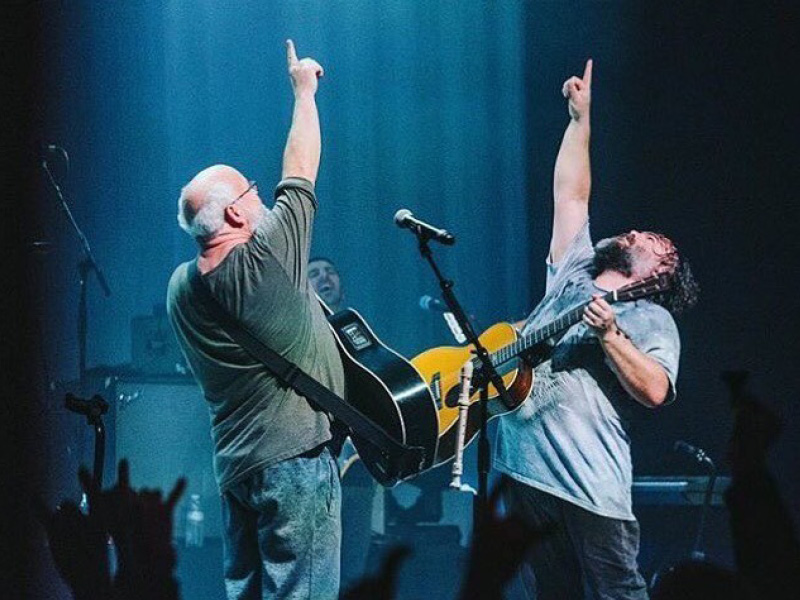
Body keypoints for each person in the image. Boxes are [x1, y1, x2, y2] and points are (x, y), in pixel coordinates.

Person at [495, 59, 698, 599]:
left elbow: (656, 389)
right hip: (527, 471)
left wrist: (610, 336)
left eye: (647, 240)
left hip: (590, 483)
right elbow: (571, 194)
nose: (632, 232)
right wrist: (579, 119)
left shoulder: (649, 316)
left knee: (618, 593)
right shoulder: (575, 268)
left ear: (658, 273)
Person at [166, 41, 344, 600]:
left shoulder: (180, 288)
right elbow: (300, 167)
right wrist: (304, 91)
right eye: (251, 189)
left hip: (236, 468)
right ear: (239, 212)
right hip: (294, 462)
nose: (262, 195)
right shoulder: (267, 257)